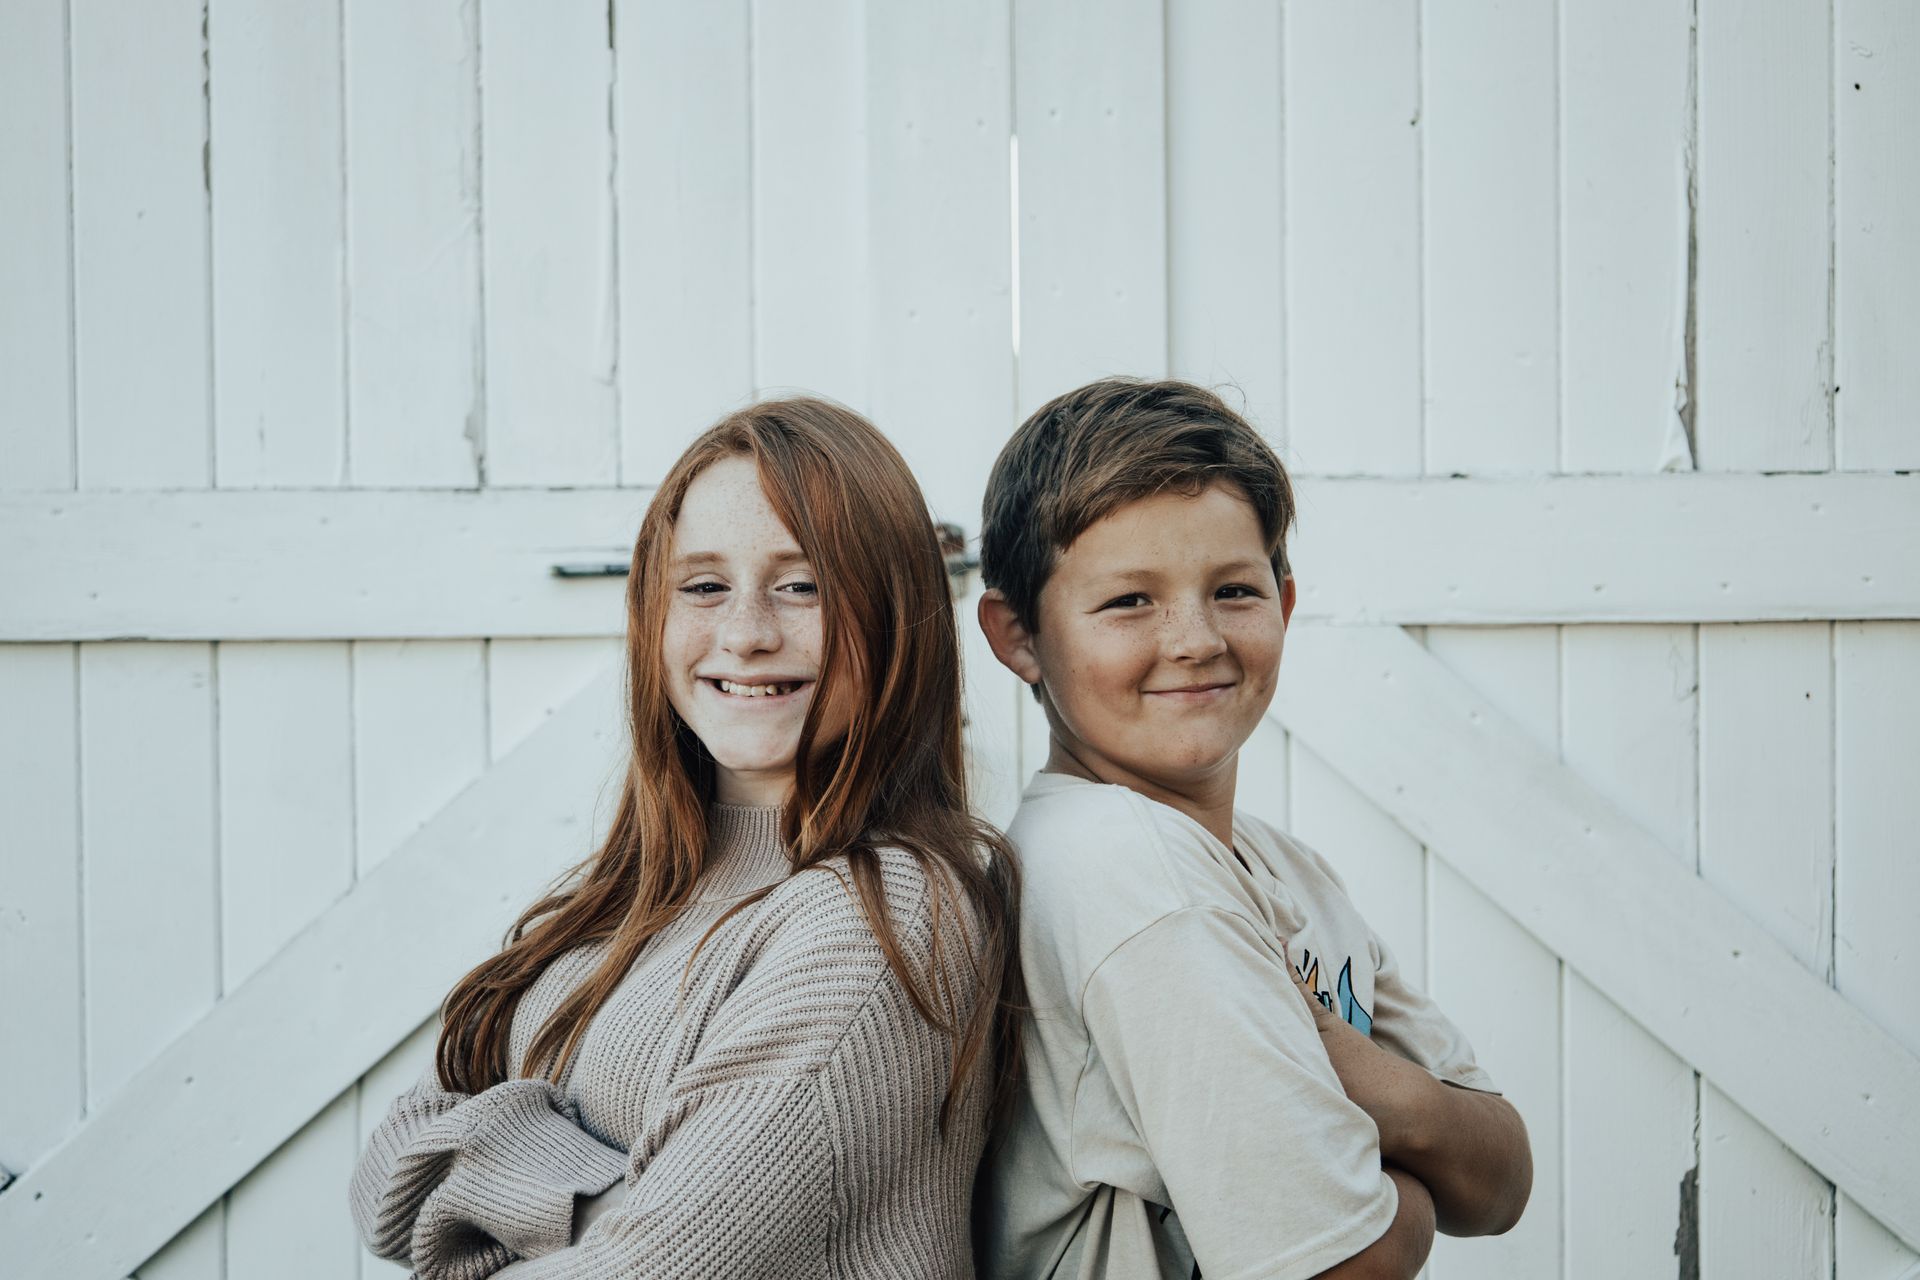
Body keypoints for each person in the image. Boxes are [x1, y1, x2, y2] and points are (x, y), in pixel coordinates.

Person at [349, 398, 1020, 1280]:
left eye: (803, 585)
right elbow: (383, 1173)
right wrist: (608, 1193)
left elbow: (644, 1270)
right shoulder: (641, 886)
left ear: (895, 614)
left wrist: (499, 1183)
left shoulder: (882, 917)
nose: (745, 633)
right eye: (703, 586)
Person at [973, 379, 1531, 1279]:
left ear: (1286, 600)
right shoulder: (1133, 876)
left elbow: (1503, 1176)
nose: (1195, 639)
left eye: (1233, 589)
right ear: (1019, 635)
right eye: (1128, 602)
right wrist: (1411, 1197)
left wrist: (1350, 1071)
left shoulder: (1281, 868)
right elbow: (1353, 1261)